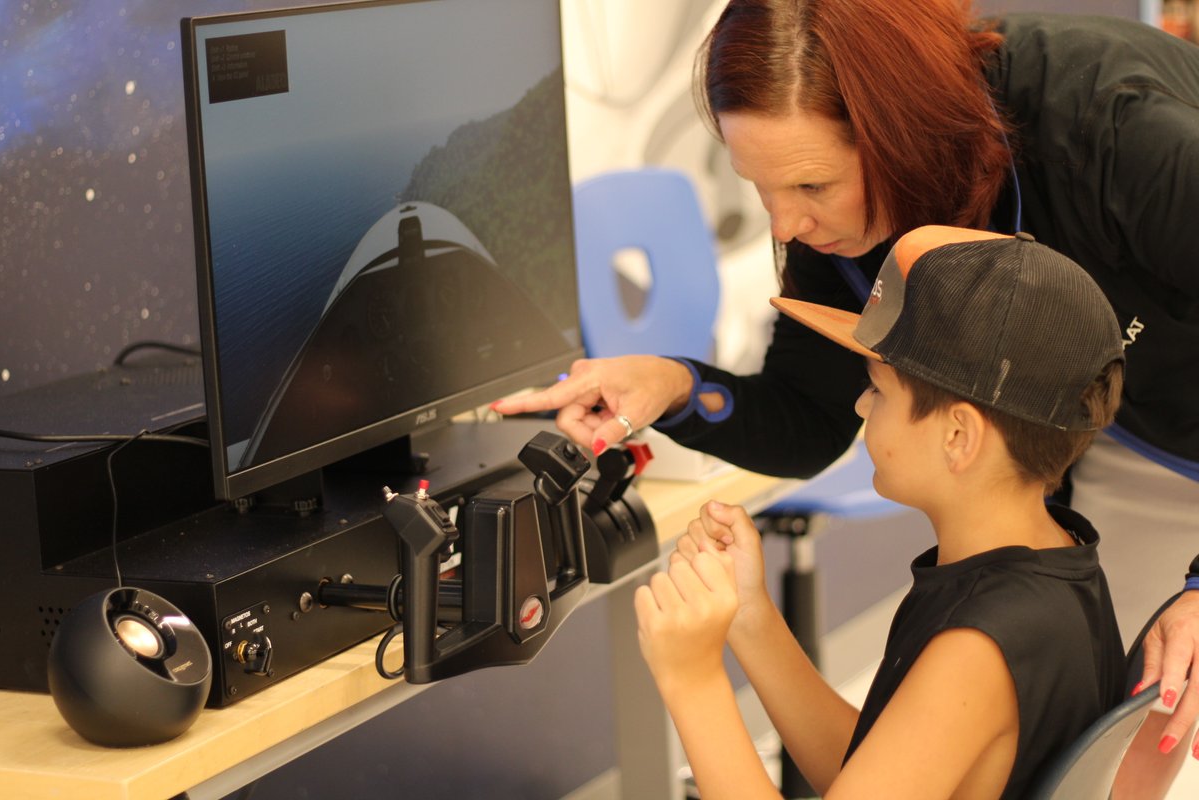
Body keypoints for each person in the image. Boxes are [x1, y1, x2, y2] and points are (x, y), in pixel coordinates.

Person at [493, 0, 1199, 759]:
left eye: (810, 187)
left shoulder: (1106, 126)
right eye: (758, 187)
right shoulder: (836, 231)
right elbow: (806, 419)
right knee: (1123, 738)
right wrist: (672, 384)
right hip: (1114, 433)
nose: (783, 227)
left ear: (904, 137)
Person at [635, 224, 1127, 798]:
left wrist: (692, 681)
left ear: (958, 437)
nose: (861, 404)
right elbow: (883, 770)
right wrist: (750, 616)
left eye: (879, 389)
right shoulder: (1054, 565)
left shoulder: (977, 648)